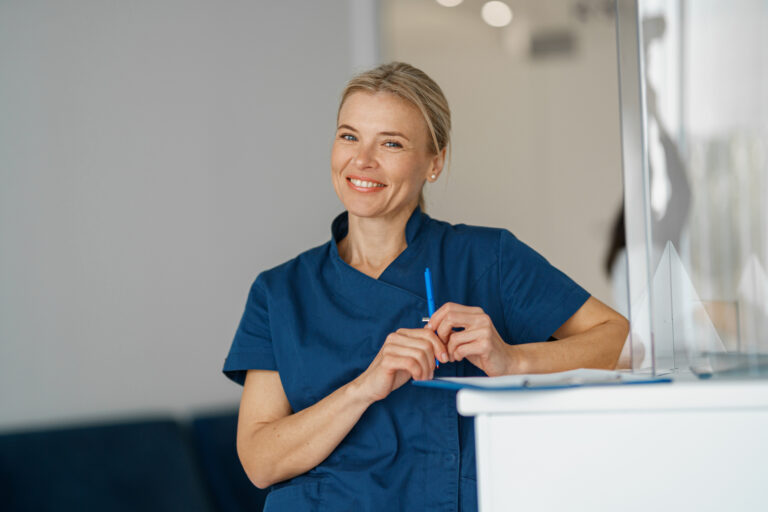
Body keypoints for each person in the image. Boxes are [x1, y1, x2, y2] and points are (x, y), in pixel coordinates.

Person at [223, 62, 629, 511]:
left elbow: (619, 339)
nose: (362, 161)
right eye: (349, 136)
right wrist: (365, 387)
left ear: (434, 162)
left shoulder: (488, 258)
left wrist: (514, 360)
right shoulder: (279, 292)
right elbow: (260, 462)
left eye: (391, 143)